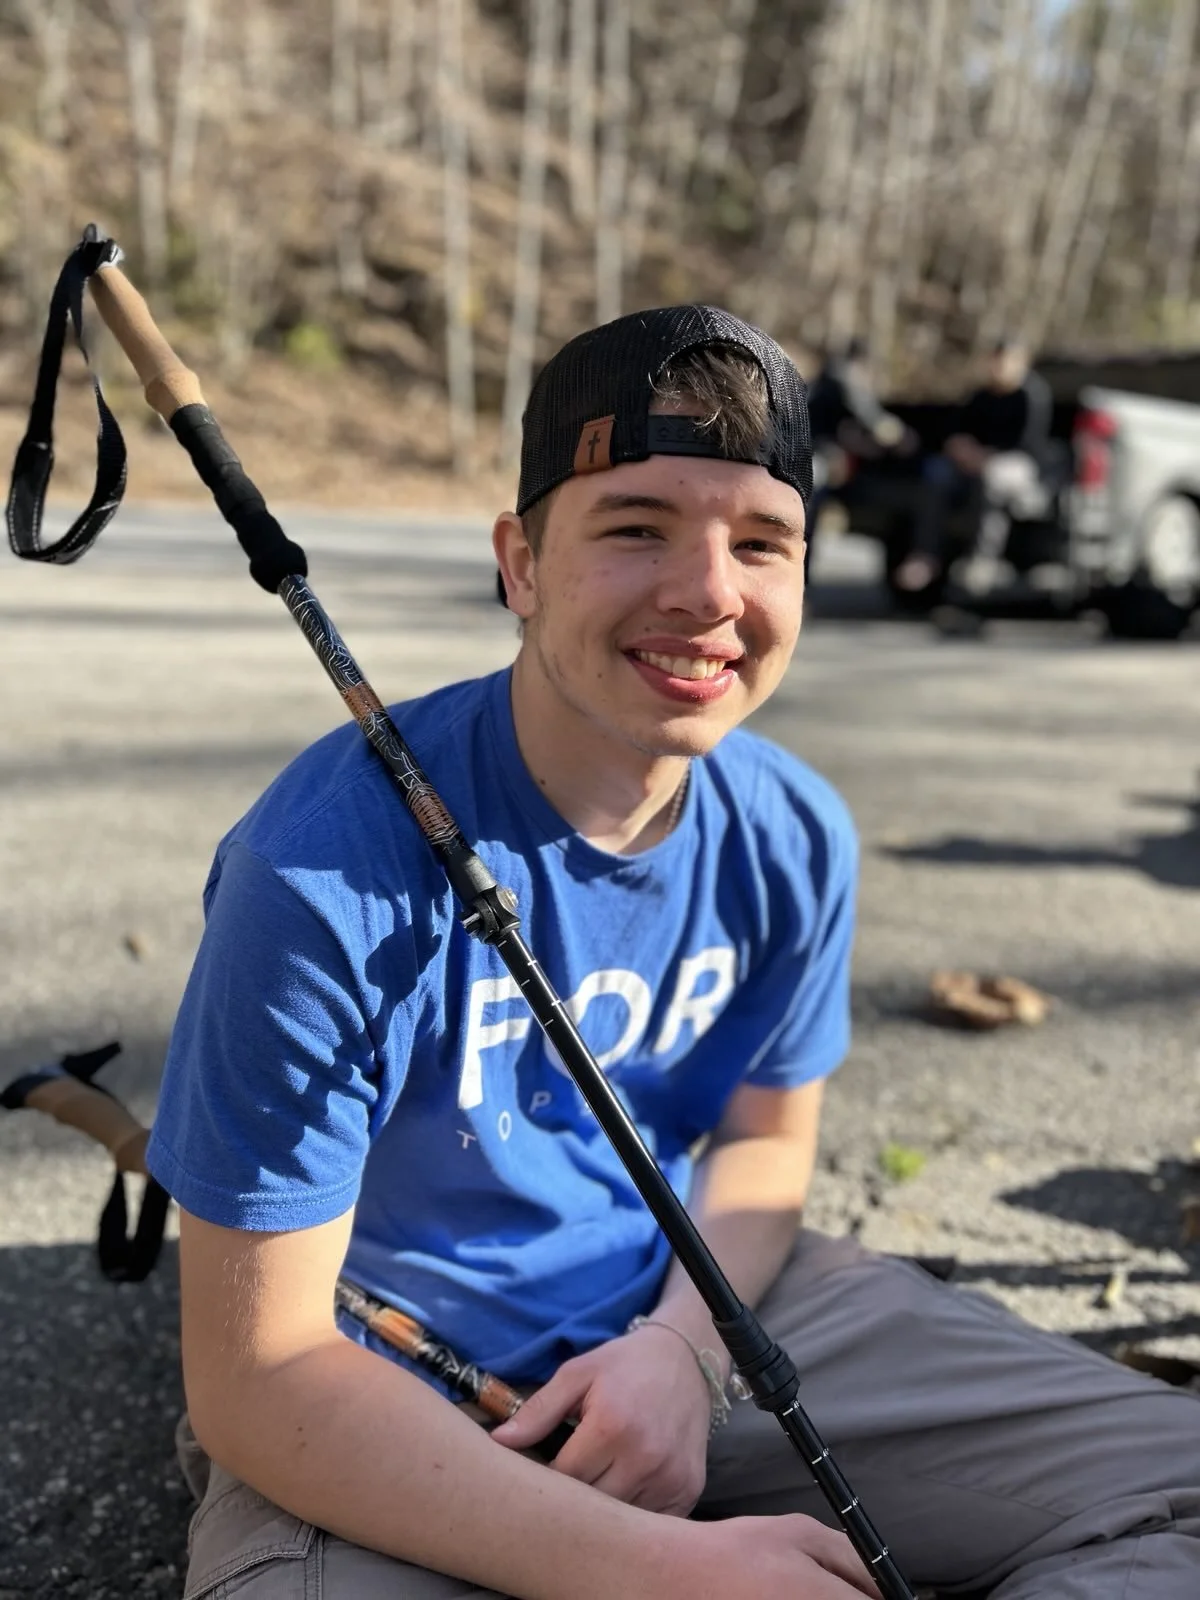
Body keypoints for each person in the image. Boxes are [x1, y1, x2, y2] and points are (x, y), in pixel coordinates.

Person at [147, 306, 1200, 1600]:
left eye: (762, 543)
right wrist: (669, 1570)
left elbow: (763, 1145)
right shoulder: (321, 873)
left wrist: (685, 1356)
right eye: (636, 527)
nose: (709, 594)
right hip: (374, 1384)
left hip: (699, 1303)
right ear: (520, 564)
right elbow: (262, 1378)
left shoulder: (794, 832)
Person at [894, 337, 1053, 594]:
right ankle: (925, 555)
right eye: (995, 361)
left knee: (993, 477)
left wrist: (983, 457)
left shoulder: (1031, 396)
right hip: (974, 461)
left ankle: (982, 559)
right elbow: (957, 430)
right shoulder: (981, 396)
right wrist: (959, 447)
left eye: (1005, 362)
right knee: (938, 472)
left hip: (1018, 466)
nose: (998, 367)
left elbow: (1026, 444)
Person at [805, 338, 915, 579]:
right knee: (805, 519)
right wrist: (899, 436)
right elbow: (872, 420)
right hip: (815, 459)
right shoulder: (842, 378)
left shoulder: (825, 380)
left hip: (818, 455)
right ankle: (800, 584)